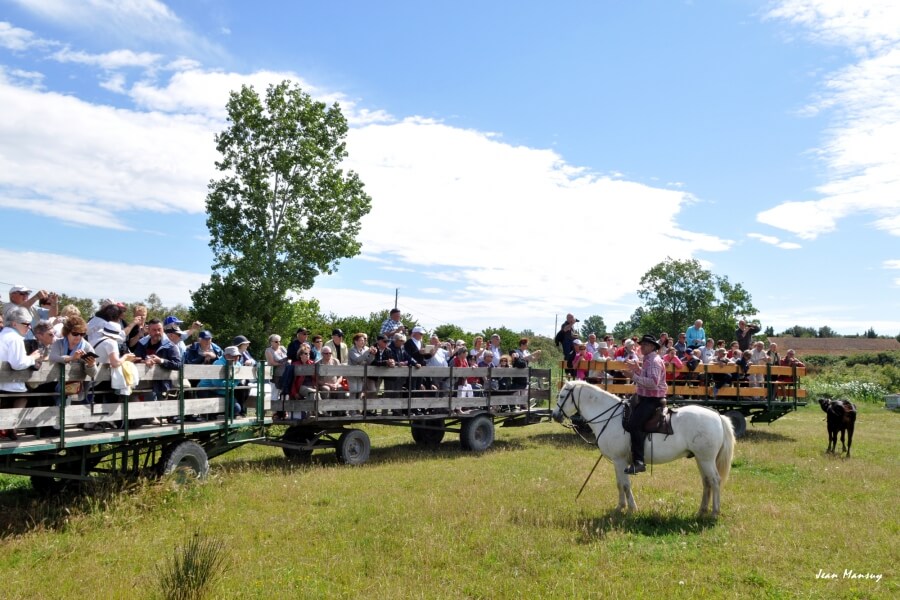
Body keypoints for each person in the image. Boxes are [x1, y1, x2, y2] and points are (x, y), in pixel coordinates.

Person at [0, 306, 46, 439]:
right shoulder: (15, 338)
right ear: (14, 323)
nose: (29, 327)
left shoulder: (3, 335)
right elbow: (18, 364)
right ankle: (12, 428)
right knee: (25, 395)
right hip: (10, 384)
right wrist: (33, 357)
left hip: (3, 382)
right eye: (26, 324)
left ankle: (8, 428)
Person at [623, 335, 666, 474]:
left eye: (645, 345)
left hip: (652, 399)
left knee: (634, 425)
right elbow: (647, 377)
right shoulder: (648, 359)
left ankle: (639, 462)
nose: (641, 347)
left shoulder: (654, 361)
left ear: (652, 346)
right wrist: (637, 369)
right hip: (646, 397)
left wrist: (633, 376)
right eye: (641, 344)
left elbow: (653, 383)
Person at [48, 315, 98, 411]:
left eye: (82, 334)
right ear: (67, 332)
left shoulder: (87, 347)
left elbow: (93, 373)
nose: (78, 336)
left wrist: (90, 364)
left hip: (77, 384)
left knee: (65, 389)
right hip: (55, 381)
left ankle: (61, 414)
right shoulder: (59, 343)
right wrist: (71, 358)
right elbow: (52, 357)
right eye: (75, 333)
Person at [265, 334, 289, 404]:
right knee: (274, 394)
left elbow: (289, 357)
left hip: (285, 374)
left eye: (279, 341)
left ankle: (283, 409)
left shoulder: (283, 348)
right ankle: (274, 409)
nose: (278, 343)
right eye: (276, 341)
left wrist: (287, 362)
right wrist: (283, 363)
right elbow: (271, 362)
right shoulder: (268, 350)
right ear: (271, 342)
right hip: (275, 375)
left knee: (285, 394)